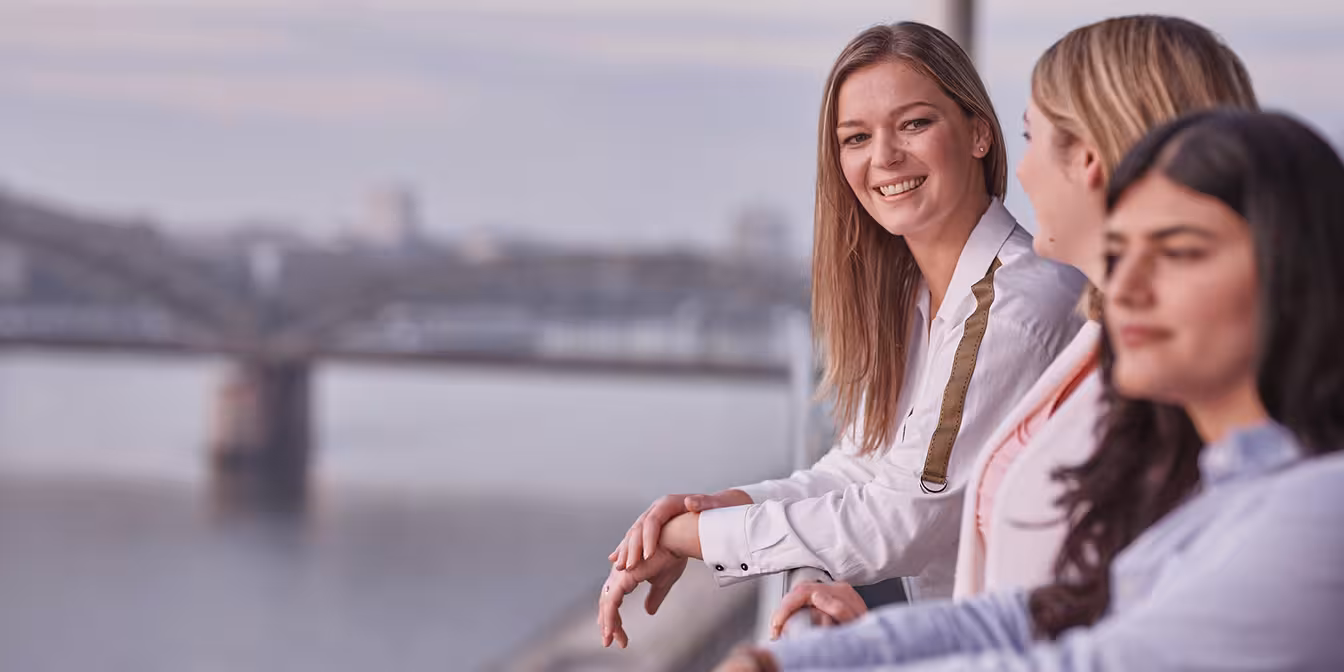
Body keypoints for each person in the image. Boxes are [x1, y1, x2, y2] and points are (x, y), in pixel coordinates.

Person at [716, 109, 1344, 671]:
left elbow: (1086, 661)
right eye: (1119, 253)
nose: (1127, 288)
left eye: (1179, 252)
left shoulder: (1318, 509)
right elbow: (1045, 612)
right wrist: (789, 661)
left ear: (1295, 268)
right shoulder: (1229, 482)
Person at [596, 21, 1086, 648]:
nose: (884, 156)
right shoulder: (918, 298)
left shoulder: (1013, 304)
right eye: (857, 137)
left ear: (978, 134)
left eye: (914, 124)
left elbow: (901, 519)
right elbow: (863, 465)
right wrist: (718, 506)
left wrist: (687, 538)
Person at [768, 16, 1260, 631]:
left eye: (1034, 139)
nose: (1021, 172)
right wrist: (881, 636)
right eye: (857, 137)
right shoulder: (1118, 360)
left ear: (1094, 159)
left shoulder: (1051, 323)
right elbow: (1049, 610)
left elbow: (1089, 639)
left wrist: (879, 645)